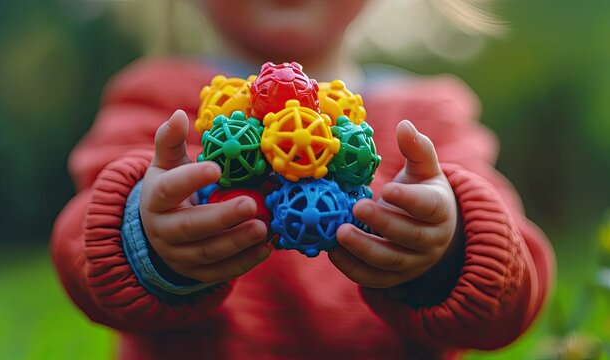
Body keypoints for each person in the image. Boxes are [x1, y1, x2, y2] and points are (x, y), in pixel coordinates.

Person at [51, 0, 555, 358]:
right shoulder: (155, 101)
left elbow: (514, 295)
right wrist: (148, 239)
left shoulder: (430, 119)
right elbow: (82, 249)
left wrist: (448, 249)